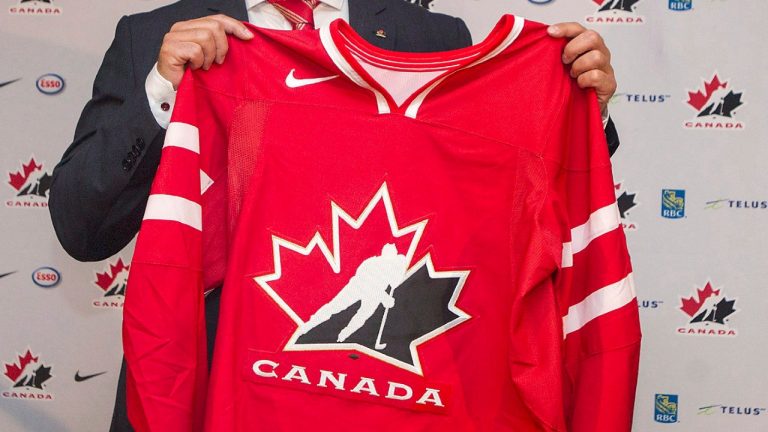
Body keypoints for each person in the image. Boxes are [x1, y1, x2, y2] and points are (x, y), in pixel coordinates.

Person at [48, 0, 621, 430]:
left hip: (400, 399)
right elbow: (82, 226)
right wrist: (164, 94)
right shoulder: (153, 34)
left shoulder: (435, 36)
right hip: (208, 401)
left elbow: (508, 190)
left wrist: (578, 104)